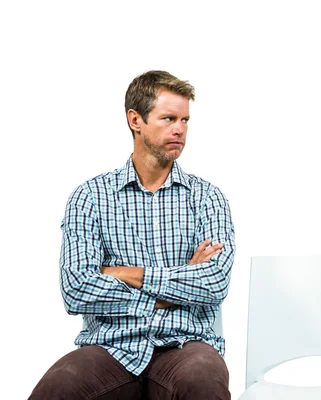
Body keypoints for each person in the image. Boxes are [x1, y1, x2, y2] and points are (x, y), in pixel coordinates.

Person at [30, 70, 235, 399]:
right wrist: (171, 292)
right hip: (110, 346)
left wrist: (127, 274)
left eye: (185, 120)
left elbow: (214, 283)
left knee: (202, 380)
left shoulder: (207, 198)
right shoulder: (91, 196)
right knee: (60, 386)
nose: (180, 129)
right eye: (169, 118)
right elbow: (76, 289)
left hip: (184, 343)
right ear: (135, 120)